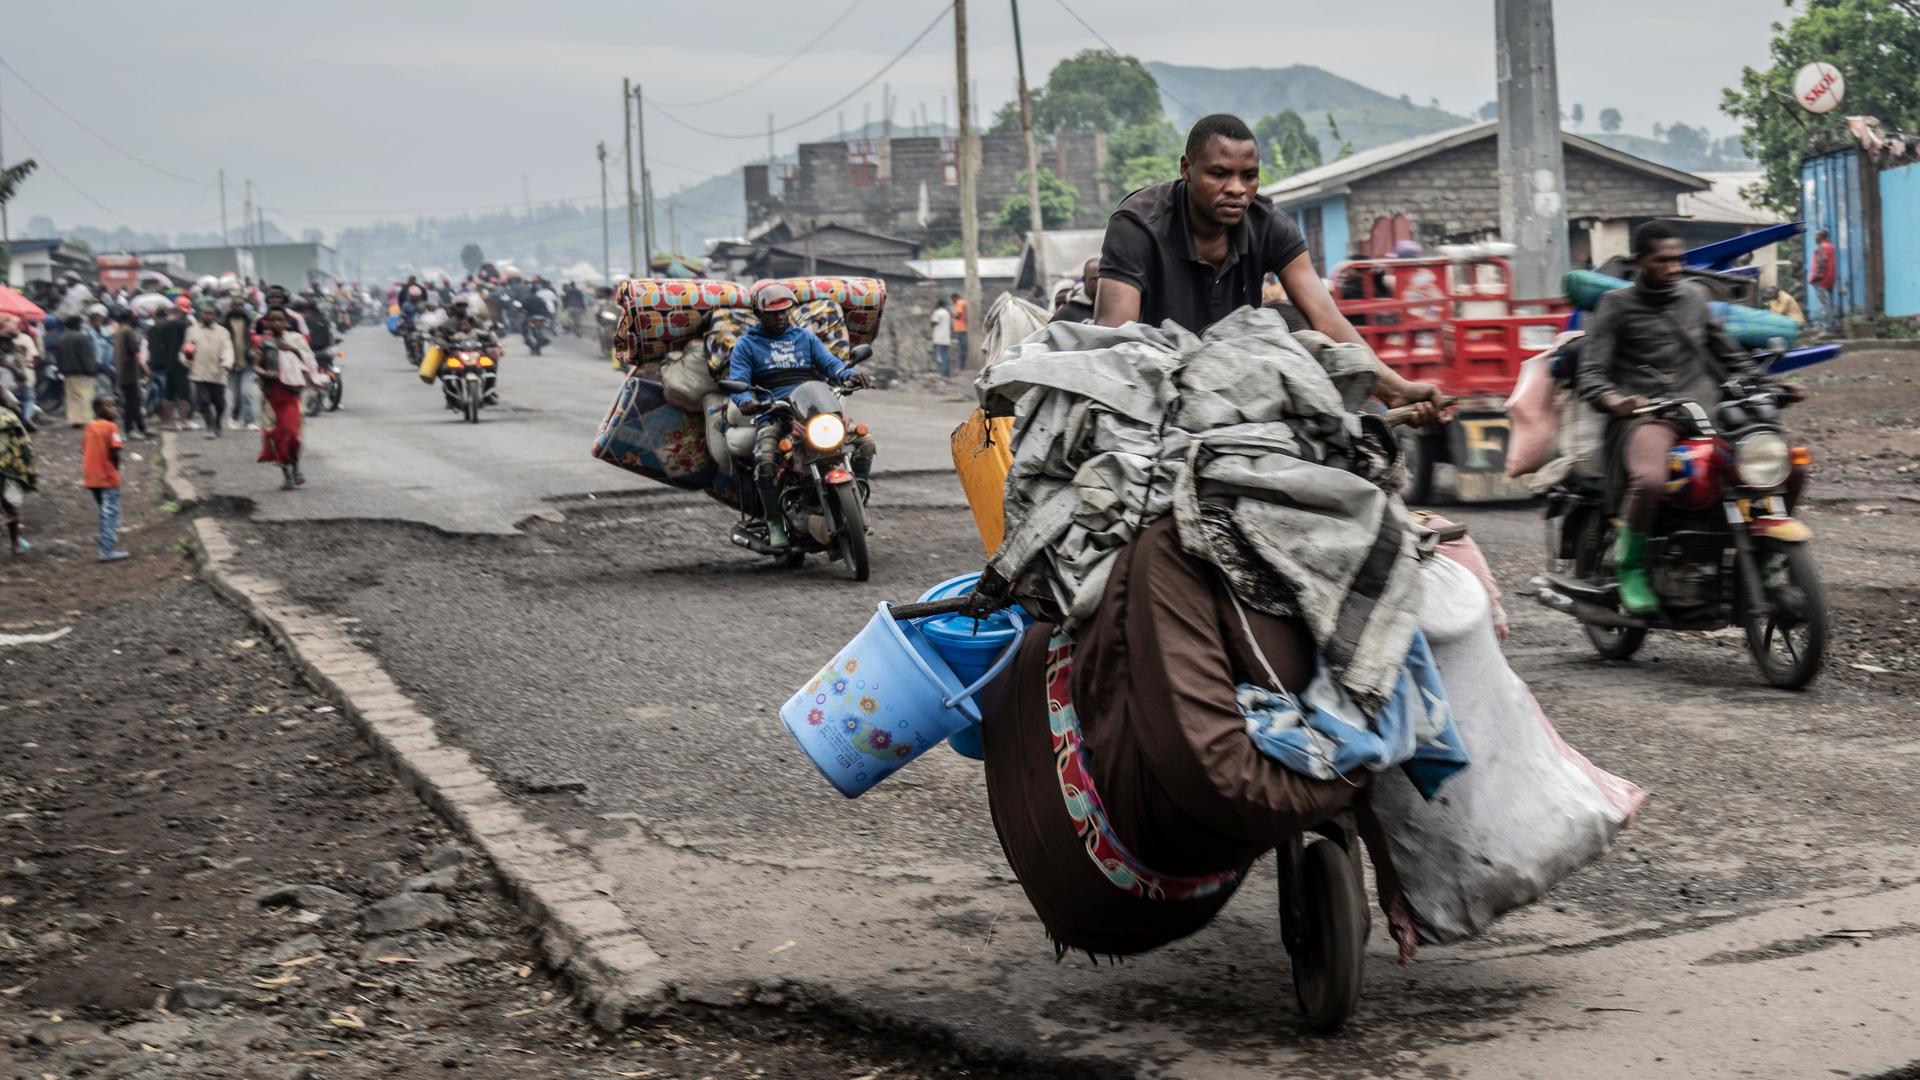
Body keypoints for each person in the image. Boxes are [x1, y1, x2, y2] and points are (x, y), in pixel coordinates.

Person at [1095, 114, 1445, 423]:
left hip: (1237, 383)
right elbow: (1116, 339)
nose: (1236, 189)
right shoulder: (1137, 225)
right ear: (1187, 169)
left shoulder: (1270, 225)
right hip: (1154, 383)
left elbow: (1327, 319)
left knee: (1303, 336)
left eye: (1248, 176)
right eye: (1219, 174)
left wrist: (1394, 389)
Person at [1576, 220, 1782, 616]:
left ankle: (1763, 554)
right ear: (1638, 263)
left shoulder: (1693, 299)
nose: (1673, 268)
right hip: (1648, 416)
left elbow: (1730, 354)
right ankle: (1631, 564)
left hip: (1708, 414)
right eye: (1662, 261)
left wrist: (1767, 384)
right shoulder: (1615, 307)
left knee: (1778, 461)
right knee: (1650, 479)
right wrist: (1615, 400)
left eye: (1678, 260)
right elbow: (1591, 374)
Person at [727, 282, 870, 549]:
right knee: (765, 459)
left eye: (784, 311)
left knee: (864, 443)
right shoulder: (746, 346)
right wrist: (745, 400)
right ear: (759, 314)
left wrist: (850, 375)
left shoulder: (805, 338)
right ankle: (774, 522)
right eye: (773, 313)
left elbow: (832, 365)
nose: (780, 317)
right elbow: (738, 382)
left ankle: (857, 499)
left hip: (814, 410)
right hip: (775, 411)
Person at [252, 308, 321, 490]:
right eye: (272, 320)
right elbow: (256, 366)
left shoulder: (296, 339)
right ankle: (287, 476)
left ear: (286, 322)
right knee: (276, 435)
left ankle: (296, 467)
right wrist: (265, 372)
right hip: (272, 395)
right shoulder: (265, 343)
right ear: (267, 323)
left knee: (292, 433)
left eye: (280, 320)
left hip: (291, 394)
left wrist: (292, 350)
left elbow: (309, 360)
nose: (276, 323)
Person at [82, 395, 130, 562]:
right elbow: (115, 451)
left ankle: (104, 541)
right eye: (109, 406)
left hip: (91, 478)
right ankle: (107, 550)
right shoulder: (111, 427)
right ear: (98, 409)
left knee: (104, 511)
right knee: (111, 513)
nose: (114, 409)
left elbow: (85, 449)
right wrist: (116, 469)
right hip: (107, 477)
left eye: (114, 405)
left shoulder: (89, 427)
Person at [185, 304, 237, 437]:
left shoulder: (223, 332)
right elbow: (186, 348)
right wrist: (186, 359)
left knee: (219, 403)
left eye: (210, 313)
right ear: (200, 314)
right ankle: (210, 427)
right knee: (204, 402)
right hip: (199, 372)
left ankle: (218, 421)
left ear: (214, 315)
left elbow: (228, 349)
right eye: (204, 313)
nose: (206, 316)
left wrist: (226, 363)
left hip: (218, 373)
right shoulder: (192, 330)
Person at [0, 380, 36, 556]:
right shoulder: (9, 417)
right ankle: (15, 543)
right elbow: (23, 445)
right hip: (6, 469)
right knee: (8, 505)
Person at [147, 303, 193, 431]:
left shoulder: (162, 326)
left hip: (168, 364)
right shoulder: (186, 326)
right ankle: (184, 422)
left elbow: (158, 345)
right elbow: (191, 346)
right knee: (184, 394)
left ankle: (170, 422)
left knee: (169, 395)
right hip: (183, 364)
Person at [54, 315, 99, 426]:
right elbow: (86, 357)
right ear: (77, 324)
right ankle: (86, 419)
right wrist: (91, 370)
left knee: (71, 397)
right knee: (85, 396)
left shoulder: (62, 338)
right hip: (82, 372)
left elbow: (58, 356)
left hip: (67, 373)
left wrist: (60, 370)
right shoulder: (82, 337)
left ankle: (74, 419)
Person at [222, 295, 258, 430]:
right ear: (232, 307)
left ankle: (249, 420)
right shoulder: (224, 324)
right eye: (237, 305)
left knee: (246, 393)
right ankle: (235, 416)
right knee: (236, 395)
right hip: (231, 364)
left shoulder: (250, 323)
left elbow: (255, 339)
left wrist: (253, 351)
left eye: (241, 305)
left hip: (247, 363)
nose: (239, 308)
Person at [111, 311, 149, 440]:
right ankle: (130, 430)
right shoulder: (128, 331)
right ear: (129, 319)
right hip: (130, 372)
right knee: (132, 402)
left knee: (132, 401)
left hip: (122, 371)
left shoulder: (119, 331)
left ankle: (141, 427)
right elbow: (134, 349)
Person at [1051, 256, 1100, 323]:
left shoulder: (1113, 308)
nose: (1099, 283)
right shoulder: (1066, 314)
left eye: (1102, 278)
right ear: (1084, 280)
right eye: (1094, 279)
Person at [1808, 228, 1838, 335]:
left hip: (1821, 280)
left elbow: (1821, 264)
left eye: (1817, 235)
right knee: (1828, 304)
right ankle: (1830, 327)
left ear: (1822, 237)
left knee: (1824, 305)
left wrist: (1815, 277)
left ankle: (1826, 329)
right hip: (1829, 280)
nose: (1815, 237)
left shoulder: (1822, 247)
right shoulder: (1831, 246)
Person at [929, 297, 954, 377]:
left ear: (938, 304)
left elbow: (933, 323)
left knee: (940, 357)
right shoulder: (947, 313)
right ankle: (946, 373)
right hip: (946, 337)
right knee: (945, 355)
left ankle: (942, 373)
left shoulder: (937, 312)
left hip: (939, 338)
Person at [950, 291, 969, 370]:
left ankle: (961, 367)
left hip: (960, 329)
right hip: (963, 328)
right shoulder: (963, 302)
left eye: (952, 299)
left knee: (960, 349)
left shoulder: (959, 302)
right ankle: (962, 366)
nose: (952, 301)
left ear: (955, 298)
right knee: (962, 348)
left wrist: (951, 315)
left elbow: (959, 315)